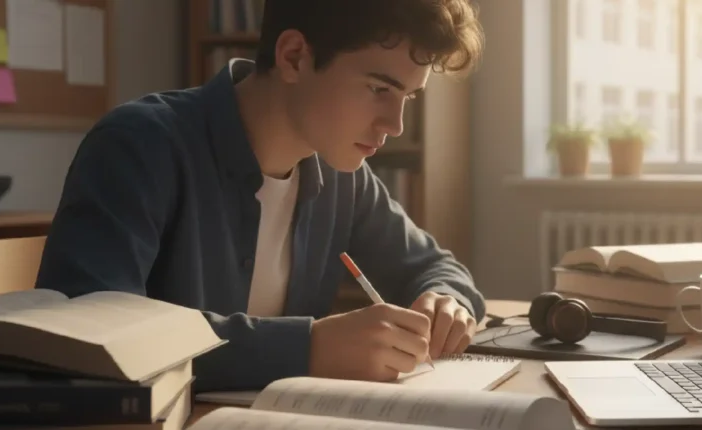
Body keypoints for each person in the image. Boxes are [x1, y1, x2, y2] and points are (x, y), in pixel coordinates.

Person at [34, 0, 485, 392]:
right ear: (293, 57)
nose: (395, 125)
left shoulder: (343, 176)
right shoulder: (139, 146)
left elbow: (438, 268)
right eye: (379, 89)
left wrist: (446, 301)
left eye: (408, 96)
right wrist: (308, 348)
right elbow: (92, 335)